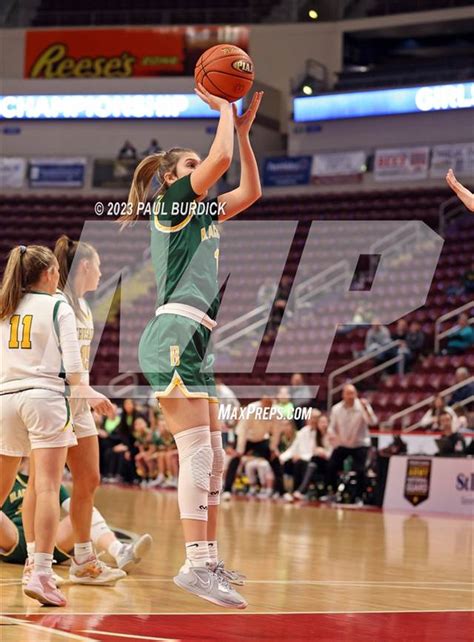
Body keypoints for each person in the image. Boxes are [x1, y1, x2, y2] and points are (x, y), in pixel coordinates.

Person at [121, 83, 263, 608]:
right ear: (170, 178)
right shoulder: (173, 201)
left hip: (197, 337)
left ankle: (209, 559)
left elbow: (249, 192)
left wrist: (243, 132)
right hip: (173, 334)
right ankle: (195, 566)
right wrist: (225, 106)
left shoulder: (203, 212)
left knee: (216, 458)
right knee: (197, 454)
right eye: (191, 164)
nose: (202, 166)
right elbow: (220, 155)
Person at [0, 245, 112, 606]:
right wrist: (92, 394)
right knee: (47, 487)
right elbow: (75, 372)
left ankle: (57, 562)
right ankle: (42, 572)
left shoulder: (6, 307)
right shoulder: (58, 305)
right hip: (44, 399)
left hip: (5, 400)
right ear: (49, 274)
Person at [21, 236, 123, 588]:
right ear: (84, 265)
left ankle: (83, 559)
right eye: (98, 265)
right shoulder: (55, 303)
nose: (101, 272)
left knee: (90, 478)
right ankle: (35, 560)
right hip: (53, 399)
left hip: (78, 401)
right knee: (42, 483)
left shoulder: (82, 306)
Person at [1, 460, 152, 577]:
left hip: (51, 540)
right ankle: (35, 560)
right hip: (13, 537)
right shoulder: (8, 477)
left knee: (84, 511)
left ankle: (119, 551)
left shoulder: (50, 480)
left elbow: (70, 505)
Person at [222, 396, 285, 501]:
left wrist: (273, 448)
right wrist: (240, 450)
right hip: (246, 438)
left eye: (270, 403)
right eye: (265, 403)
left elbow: (276, 432)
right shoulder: (251, 409)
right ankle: (227, 490)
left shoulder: (276, 412)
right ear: (261, 402)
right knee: (235, 460)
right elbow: (243, 429)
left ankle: (282, 491)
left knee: (275, 460)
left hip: (261, 439)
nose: (267, 405)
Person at [325, 384, 377, 502]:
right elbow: (331, 427)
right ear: (343, 395)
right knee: (331, 465)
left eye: (353, 393)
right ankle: (332, 492)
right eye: (348, 394)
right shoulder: (336, 409)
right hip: (343, 444)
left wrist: (366, 409)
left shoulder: (362, 406)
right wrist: (331, 435)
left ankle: (359, 497)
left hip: (360, 444)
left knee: (360, 470)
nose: (350, 396)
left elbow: (373, 422)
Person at [279, 409, 324, 501]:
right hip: (301, 460)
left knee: (303, 462)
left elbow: (317, 453)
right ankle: (284, 492)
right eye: (311, 417)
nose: (313, 420)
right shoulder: (303, 432)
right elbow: (293, 449)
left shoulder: (322, 433)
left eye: (315, 418)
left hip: (317, 462)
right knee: (284, 462)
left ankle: (301, 491)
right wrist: (281, 458)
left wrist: (301, 457)